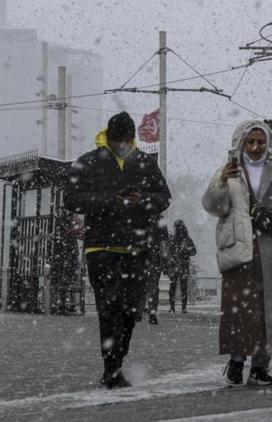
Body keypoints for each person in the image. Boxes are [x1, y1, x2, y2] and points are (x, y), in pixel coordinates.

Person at [202, 120, 272, 386]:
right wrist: (221, 183)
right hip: (241, 251)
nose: (255, 147)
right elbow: (213, 207)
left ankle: (260, 367)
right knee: (241, 310)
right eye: (250, 142)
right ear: (241, 143)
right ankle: (237, 360)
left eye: (260, 142)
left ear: (268, 143)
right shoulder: (228, 173)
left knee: (270, 311)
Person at [64, 111, 171, 389]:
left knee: (131, 310)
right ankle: (111, 368)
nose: (121, 145)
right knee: (109, 307)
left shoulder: (145, 163)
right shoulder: (88, 161)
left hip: (137, 247)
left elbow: (164, 198)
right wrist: (110, 201)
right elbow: (71, 199)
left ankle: (117, 358)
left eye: (125, 140)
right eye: (116, 140)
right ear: (108, 138)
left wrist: (141, 199)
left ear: (132, 138)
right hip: (101, 246)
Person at [139, 218, 168, 324]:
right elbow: (164, 242)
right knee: (153, 285)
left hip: (139, 255)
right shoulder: (160, 220)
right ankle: (152, 311)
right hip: (154, 257)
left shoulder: (138, 213)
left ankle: (139, 311)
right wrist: (164, 261)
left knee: (140, 284)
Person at [166, 219, 197, 313]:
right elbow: (168, 253)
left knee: (175, 287)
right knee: (178, 287)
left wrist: (186, 251)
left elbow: (194, 251)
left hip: (180, 266)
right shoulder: (179, 239)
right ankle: (178, 307)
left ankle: (176, 307)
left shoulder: (185, 239)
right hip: (178, 266)